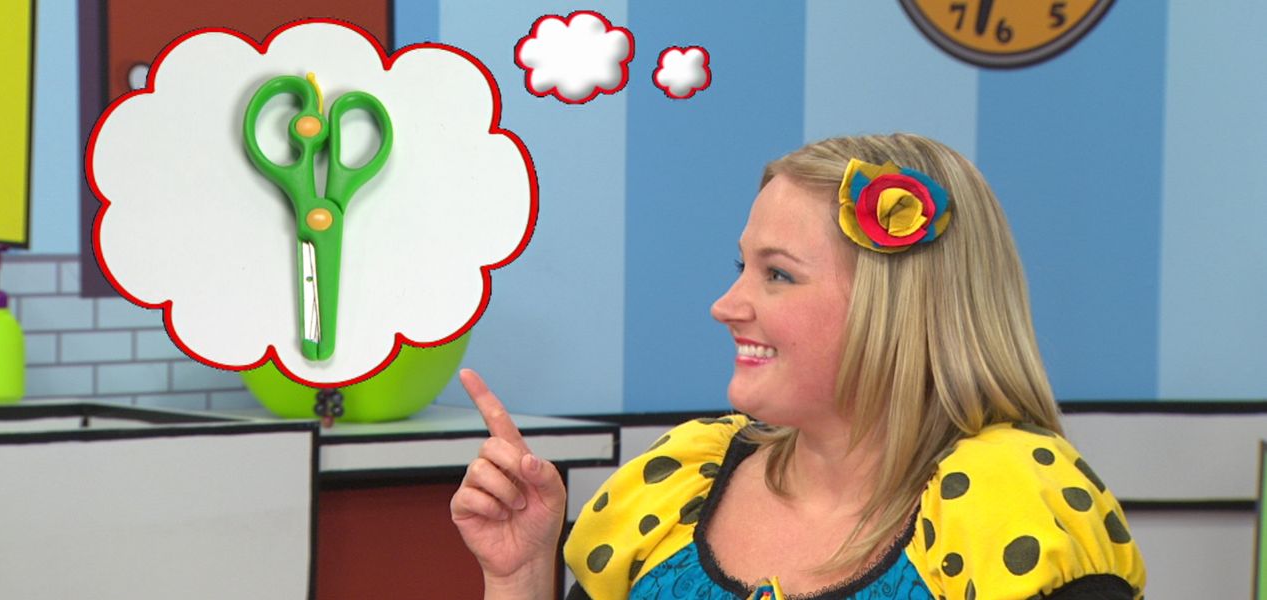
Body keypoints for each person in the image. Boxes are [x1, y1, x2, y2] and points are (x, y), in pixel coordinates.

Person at [450, 133, 1147, 599]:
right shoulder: (676, 489)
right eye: (741, 267)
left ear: (897, 308)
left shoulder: (1012, 507)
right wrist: (520, 578)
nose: (726, 306)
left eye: (777, 275)